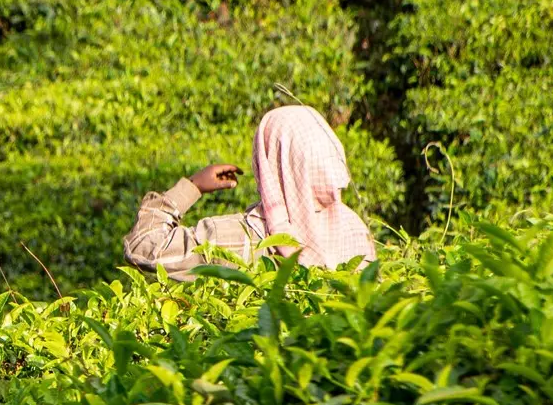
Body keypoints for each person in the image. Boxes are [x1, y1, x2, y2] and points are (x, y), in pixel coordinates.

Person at [123, 105, 378, 279]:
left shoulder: (236, 239)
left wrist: (193, 186)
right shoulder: (356, 234)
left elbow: (143, 248)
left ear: (265, 163)